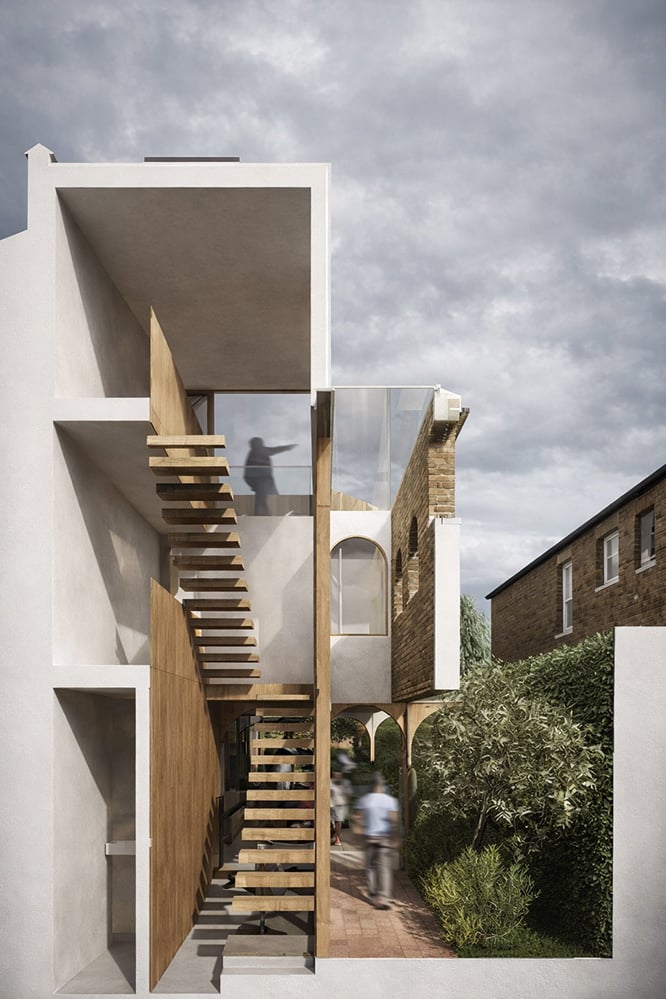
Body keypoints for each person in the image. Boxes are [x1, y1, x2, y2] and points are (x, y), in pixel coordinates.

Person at [353, 773, 399, 909]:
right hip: (384, 838)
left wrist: (359, 830)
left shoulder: (365, 800)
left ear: (372, 786)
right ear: (382, 786)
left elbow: (357, 817)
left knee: (370, 867)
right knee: (384, 868)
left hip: (369, 837)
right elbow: (393, 820)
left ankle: (373, 896)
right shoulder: (390, 801)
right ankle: (383, 898)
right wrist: (395, 836)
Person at [243, 437, 296, 515]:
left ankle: (266, 515)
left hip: (261, 480)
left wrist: (252, 484)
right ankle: (268, 516)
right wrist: (287, 448)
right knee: (268, 498)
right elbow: (274, 450)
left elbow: (246, 475)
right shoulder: (258, 450)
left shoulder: (252, 453)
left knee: (263, 499)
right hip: (263, 479)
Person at [330, 770, 351, 846]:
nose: (337, 777)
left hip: (339, 805)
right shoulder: (330, 782)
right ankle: (333, 837)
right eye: (336, 775)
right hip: (330, 804)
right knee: (331, 822)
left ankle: (337, 838)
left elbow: (347, 794)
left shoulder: (343, 783)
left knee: (338, 821)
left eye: (339, 775)